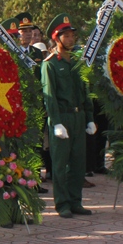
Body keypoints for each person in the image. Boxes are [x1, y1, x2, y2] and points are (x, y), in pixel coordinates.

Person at [42, 14, 95, 218]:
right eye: (66, 36)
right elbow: (50, 95)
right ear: (57, 38)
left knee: (78, 162)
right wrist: (56, 122)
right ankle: (62, 203)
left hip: (78, 116)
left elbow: (85, 90)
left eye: (72, 35)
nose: (71, 39)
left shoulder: (77, 61)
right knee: (61, 163)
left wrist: (89, 116)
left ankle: (76, 201)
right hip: (62, 117)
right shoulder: (50, 64)